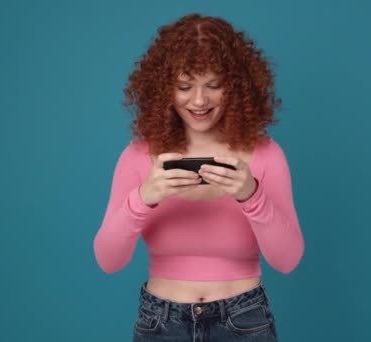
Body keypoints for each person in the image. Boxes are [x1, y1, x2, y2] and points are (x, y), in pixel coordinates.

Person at [93, 13, 304, 341]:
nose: (199, 100)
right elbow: (108, 260)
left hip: (244, 321)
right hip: (160, 322)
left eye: (213, 85)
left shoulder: (265, 154)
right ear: (165, 89)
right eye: (184, 86)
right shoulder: (137, 157)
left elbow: (288, 260)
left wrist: (252, 194)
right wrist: (143, 198)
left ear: (235, 86)